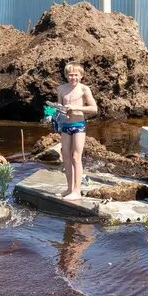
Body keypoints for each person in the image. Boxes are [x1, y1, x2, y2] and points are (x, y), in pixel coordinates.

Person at [50, 62, 98, 202]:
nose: (73, 77)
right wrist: (53, 112)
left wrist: (76, 108)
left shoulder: (84, 89)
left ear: (81, 76)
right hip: (65, 126)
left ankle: (77, 191)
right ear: (66, 75)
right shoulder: (61, 89)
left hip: (79, 125)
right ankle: (69, 188)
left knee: (76, 156)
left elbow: (94, 108)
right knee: (65, 156)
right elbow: (59, 107)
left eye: (76, 75)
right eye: (70, 75)